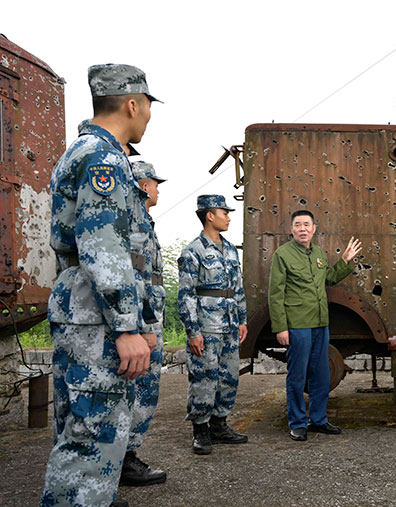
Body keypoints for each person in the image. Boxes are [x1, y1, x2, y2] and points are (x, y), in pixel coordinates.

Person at [42, 64, 159, 507]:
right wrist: (126, 327)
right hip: (97, 317)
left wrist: (141, 321)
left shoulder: (84, 151)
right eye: (147, 105)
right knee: (92, 441)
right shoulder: (104, 157)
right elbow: (103, 245)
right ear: (133, 103)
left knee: (82, 434)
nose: (148, 115)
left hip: (86, 311)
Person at [268, 210, 362, 441]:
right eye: (297, 224)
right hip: (298, 324)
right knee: (298, 376)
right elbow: (275, 293)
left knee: (320, 375)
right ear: (292, 229)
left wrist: (344, 261)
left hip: (320, 323)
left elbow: (328, 278)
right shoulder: (283, 255)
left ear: (314, 228)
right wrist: (281, 327)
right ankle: (298, 423)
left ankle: (319, 420)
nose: (302, 228)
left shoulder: (318, 252)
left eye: (306, 224)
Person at [178, 195, 249, 455]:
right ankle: (201, 430)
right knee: (203, 379)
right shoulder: (194, 250)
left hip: (230, 325)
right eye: (224, 212)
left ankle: (220, 425)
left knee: (228, 378)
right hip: (206, 327)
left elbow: (237, 289)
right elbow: (186, 294)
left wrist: (242, 320)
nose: (228, 217)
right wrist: (192, 331)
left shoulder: (230, 249)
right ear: (210, 215)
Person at [118, 161, 168, 486]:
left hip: (149, 320)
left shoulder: (145, 222)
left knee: (144, 391)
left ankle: (125, 457)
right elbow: (132, 277)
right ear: (142, 185)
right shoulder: (131, 221)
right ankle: (122, 461)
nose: (158, 189)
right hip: (138, 321)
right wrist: (142, 325)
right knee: (132, 392)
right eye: (154, 183)